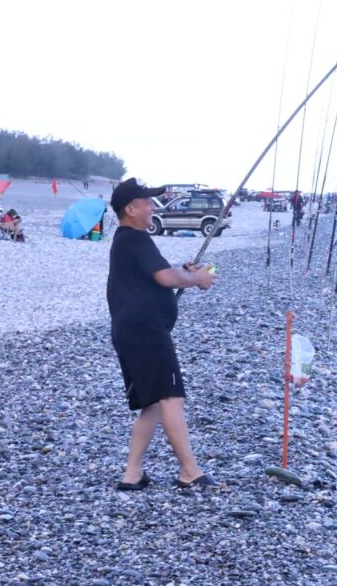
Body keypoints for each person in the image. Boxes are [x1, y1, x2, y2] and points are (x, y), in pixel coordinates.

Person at [107, 177, 218, 490]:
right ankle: (190, 472)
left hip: (130, 331)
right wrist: (196, 280)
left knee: (153, 403)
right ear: (131, 208)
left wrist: (187, 271)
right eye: (147, 202)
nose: (153, 207)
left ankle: (132, 474)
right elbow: (166, 278)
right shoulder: (134, 238)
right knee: (171, 397)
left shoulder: (128, 240)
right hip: (145, 331)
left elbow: (159, 277)